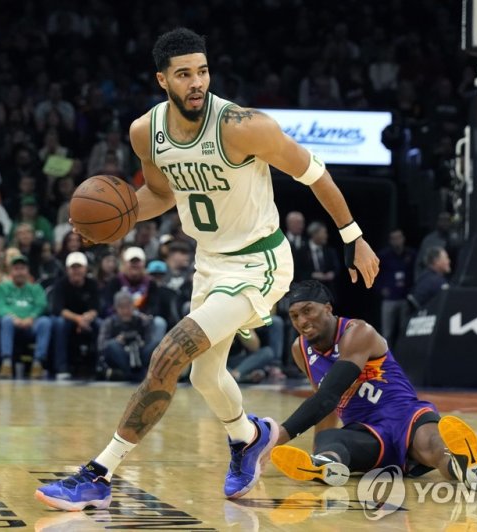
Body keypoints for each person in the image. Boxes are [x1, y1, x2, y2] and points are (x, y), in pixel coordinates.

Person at [35, 27, 379, 510]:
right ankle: (248, 438)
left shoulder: (243, 126)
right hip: (209, 263)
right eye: (183, 74)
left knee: (168, 355)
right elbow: (160, 193)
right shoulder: (145, 132)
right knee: (203, 376)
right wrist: (113, 223)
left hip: (259, 261)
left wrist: (353, 236)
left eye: (202, 71)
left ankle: (98, 473)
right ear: (163, 80)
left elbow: (314, 172)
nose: (196, 82)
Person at [269, 281, 477, 490]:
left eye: (308, 311)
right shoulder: (300, 350)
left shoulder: (357, 332)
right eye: (294, 316)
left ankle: (465, 467)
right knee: (330, 441)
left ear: (327, 308)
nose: (301, 321)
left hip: (404, 416)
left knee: (432, 444)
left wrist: (272, 440)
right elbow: (324, 406)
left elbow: (328, 395)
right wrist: (322, 447)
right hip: (367, 432)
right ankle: (324, 465)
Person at [0, 254, 52, 379]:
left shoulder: (36, 288)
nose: (19, 272)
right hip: (12, 324)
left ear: (27, 271)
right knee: (6, 320)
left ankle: (38, 363)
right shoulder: (3, 287)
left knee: (45, 322)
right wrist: (14, 318)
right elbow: (0, 306)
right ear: (11, 272)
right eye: (16, 269)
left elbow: (41, 305)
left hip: (31, 324)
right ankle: (6, 363)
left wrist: (31, 317)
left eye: (22, 268)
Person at [51, 251, 100, 380]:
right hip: (68, 319)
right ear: (67, 269)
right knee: (59, 324)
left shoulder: (92, 284)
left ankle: (98, 366)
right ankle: (61, 367)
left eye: (79, 267)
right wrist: (78, 319)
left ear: (85, 269)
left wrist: (86, 318)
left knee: (100, 324)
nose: (76, 271)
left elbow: (96, 308)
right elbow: (58, 309)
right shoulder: (60, 284)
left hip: (87, 319)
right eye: (73, 267)